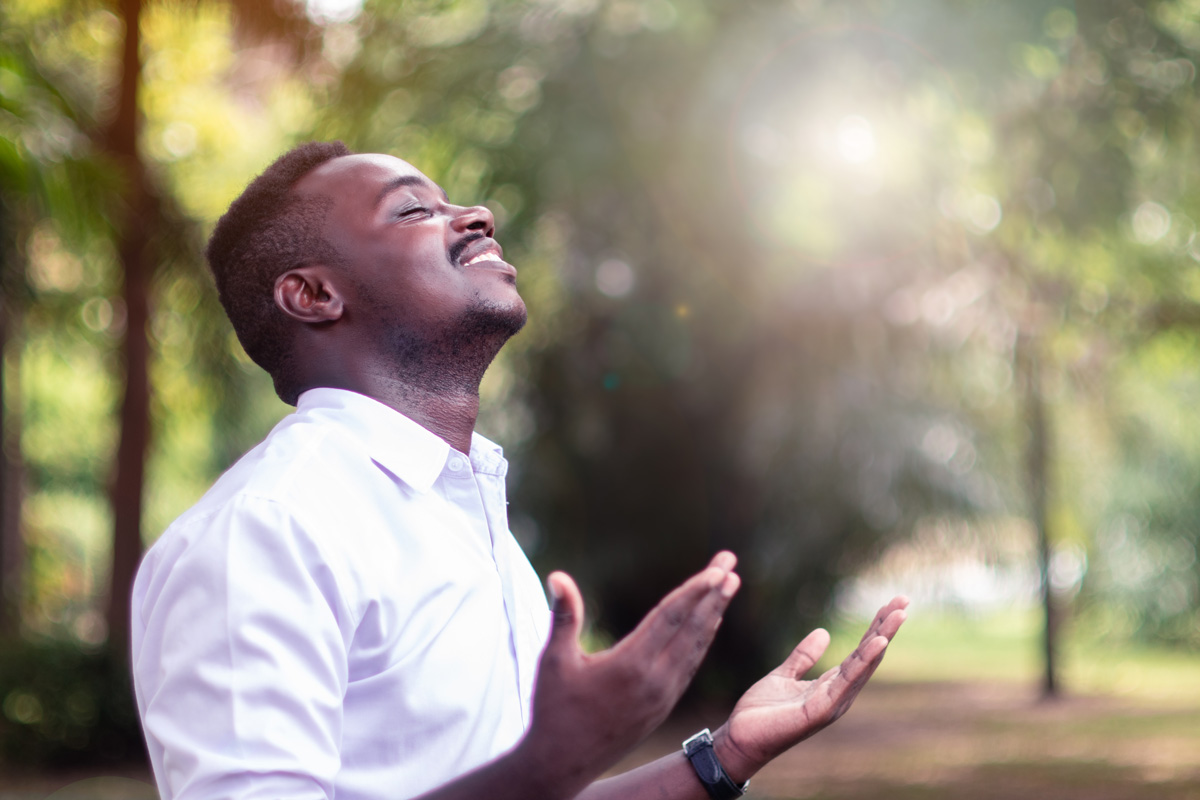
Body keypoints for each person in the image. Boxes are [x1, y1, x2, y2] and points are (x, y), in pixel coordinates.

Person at [130, 140, 908, 800]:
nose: (476, 217)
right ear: (313, 294)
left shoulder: (462, 513)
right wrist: (550, 760)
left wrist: (720, 759)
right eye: (412, 210)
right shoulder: (264, 531)